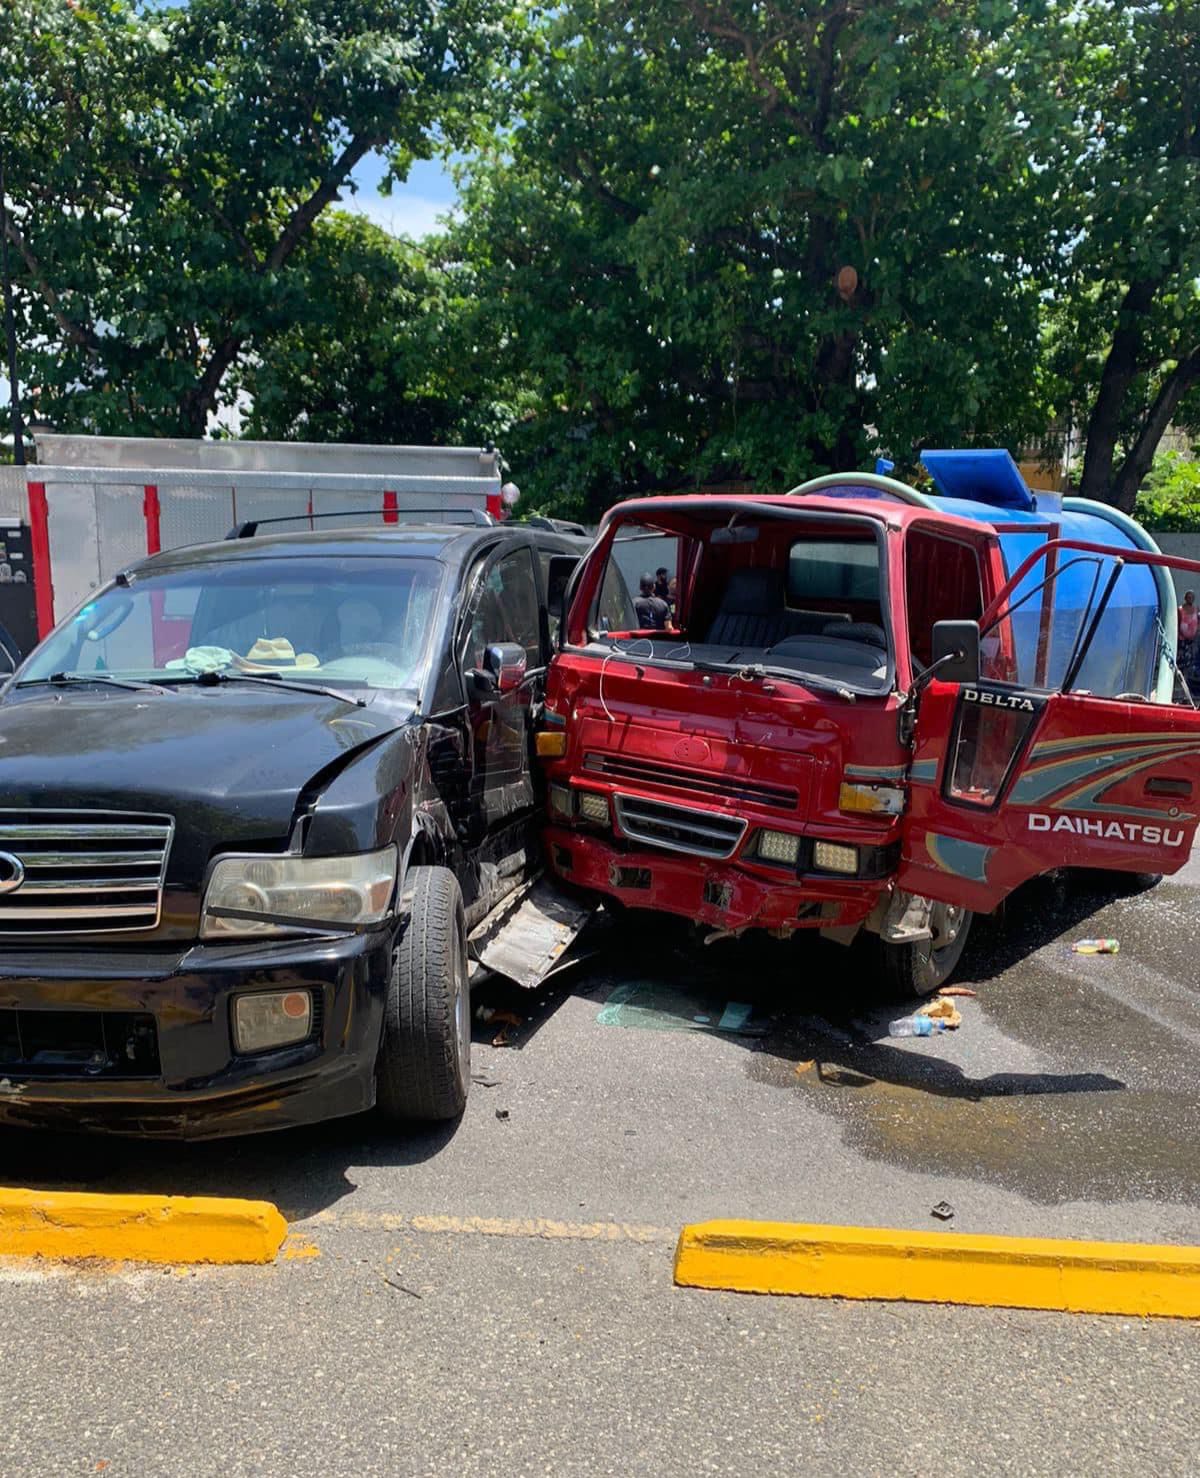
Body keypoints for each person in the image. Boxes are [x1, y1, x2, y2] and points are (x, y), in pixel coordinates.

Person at [1180, 590, 1198, 682]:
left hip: (1192, 640)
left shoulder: (1196, 610)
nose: (1190, 599)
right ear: (1185, 598)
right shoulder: (1180, 610)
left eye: (1192, 597)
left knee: (1191, 660)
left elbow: (1197, 623)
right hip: (1182, 640)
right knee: (1181, 660)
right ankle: (1180, 678)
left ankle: (1187, 679)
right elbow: (1177, 623)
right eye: (1188, 597)